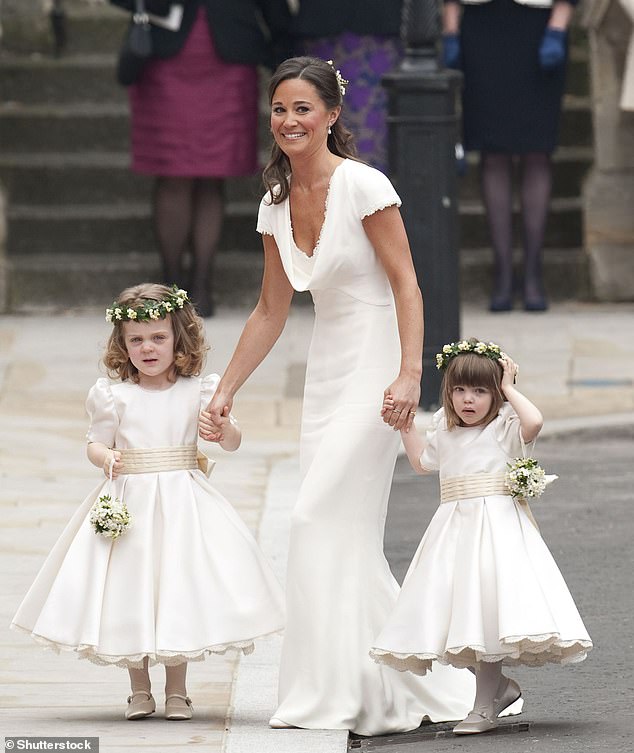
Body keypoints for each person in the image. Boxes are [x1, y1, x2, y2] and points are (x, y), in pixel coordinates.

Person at [199, 56, 477, 736]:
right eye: (279, 109)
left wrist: (410, 373)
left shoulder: (364, 186)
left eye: (302, 108)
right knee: (339, 532)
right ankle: (367, 680)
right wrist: (225, 389)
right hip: (327, 369)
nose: (289, 120)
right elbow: (270, 309)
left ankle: (356, 683)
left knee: (313, 518)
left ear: (331, 116)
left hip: (379, 360)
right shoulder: (273, 201)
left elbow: (408, 284)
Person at [11, 283, 285, 721]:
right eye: (136, 340)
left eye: (158, 337)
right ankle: (139, 689)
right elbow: (94, 444)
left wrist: (223, 431)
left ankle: (178, 691)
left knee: (175, 587)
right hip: (129, 502)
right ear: (122, 344)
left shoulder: (198, 390)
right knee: (130, 588)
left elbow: (232, 440)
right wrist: (107, 457)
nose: (148, 348)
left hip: (181, 503)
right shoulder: (112, 394)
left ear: (179, 337)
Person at [371, 338, 593, 734]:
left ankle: (483, 707)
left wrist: (509, 387)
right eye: (459, 390)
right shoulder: (445, 429)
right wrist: (406, 427)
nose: (467, 400)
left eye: (480, 391)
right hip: (452, 532)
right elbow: (424, 463)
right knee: (457, 613)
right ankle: (500, 689)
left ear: (496, 396)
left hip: (496, 531)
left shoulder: (506, 429)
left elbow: (535, 422)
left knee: (487, 612)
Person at [110, 0, 292, 316]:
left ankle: (202, 284)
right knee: (173, 174)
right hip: (167, 53)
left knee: (213, 174)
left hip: (231, 53)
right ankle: (170, 284)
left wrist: (284, 49)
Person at [442, 0, 579, 311]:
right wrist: (450, 31)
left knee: (537, 153)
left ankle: (533, 273)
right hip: (481, 27)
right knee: (493, 155)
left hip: (540, 26)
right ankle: (502, 274)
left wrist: (558, 27)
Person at [289, 0, 403, 172]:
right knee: (321, 116)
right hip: (326, 26)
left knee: (372, 125)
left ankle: (367, 188)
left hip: (374, 26)